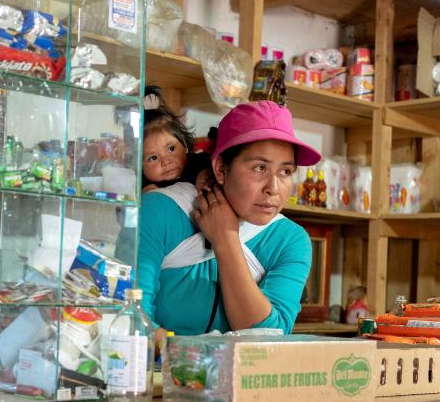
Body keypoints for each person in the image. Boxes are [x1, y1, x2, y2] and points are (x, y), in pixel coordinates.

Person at [136, 100, 320, 336]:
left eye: (285, 171)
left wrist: (225, 238)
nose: (273, 188)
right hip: (159, 371)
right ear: (221, 169)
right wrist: (187, 362)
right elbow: (133, 315)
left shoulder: (290, 240)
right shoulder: (160, 209)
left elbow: (269, 338)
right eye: (259, 168)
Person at [140, 86, 210, 192]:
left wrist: (206, 175)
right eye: (153, 158)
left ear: (185, 145)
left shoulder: (198, 164)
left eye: (171, 149)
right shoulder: (143, 185)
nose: (166, 161)